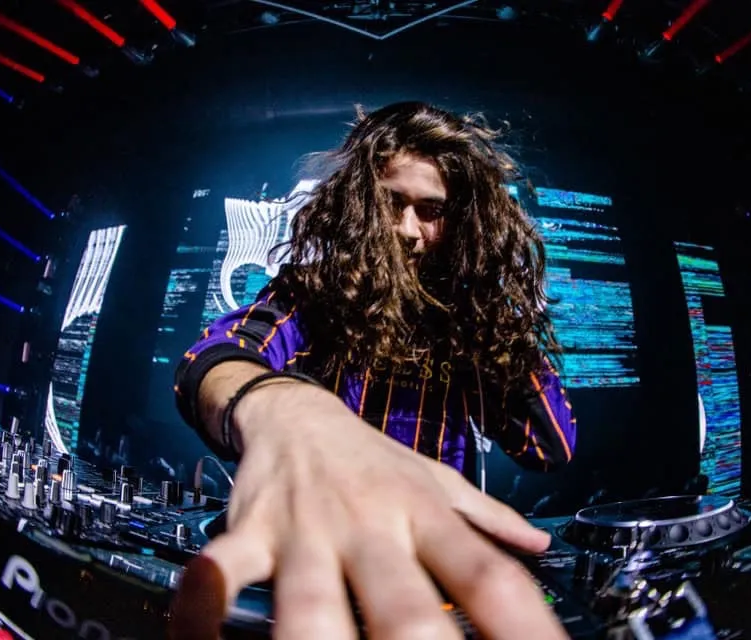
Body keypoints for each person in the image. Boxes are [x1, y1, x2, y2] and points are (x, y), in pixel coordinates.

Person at [170, 102, 577, 639]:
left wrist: (496, 318)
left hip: (431, 575)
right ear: (361, 205)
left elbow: (549, 448)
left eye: (431, 211)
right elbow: (216, 356)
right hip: (320, 563)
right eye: (390, 203)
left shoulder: (473, 319)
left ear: (461, 221)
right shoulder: (313, 293)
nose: (407, 230)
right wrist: (282, 408)